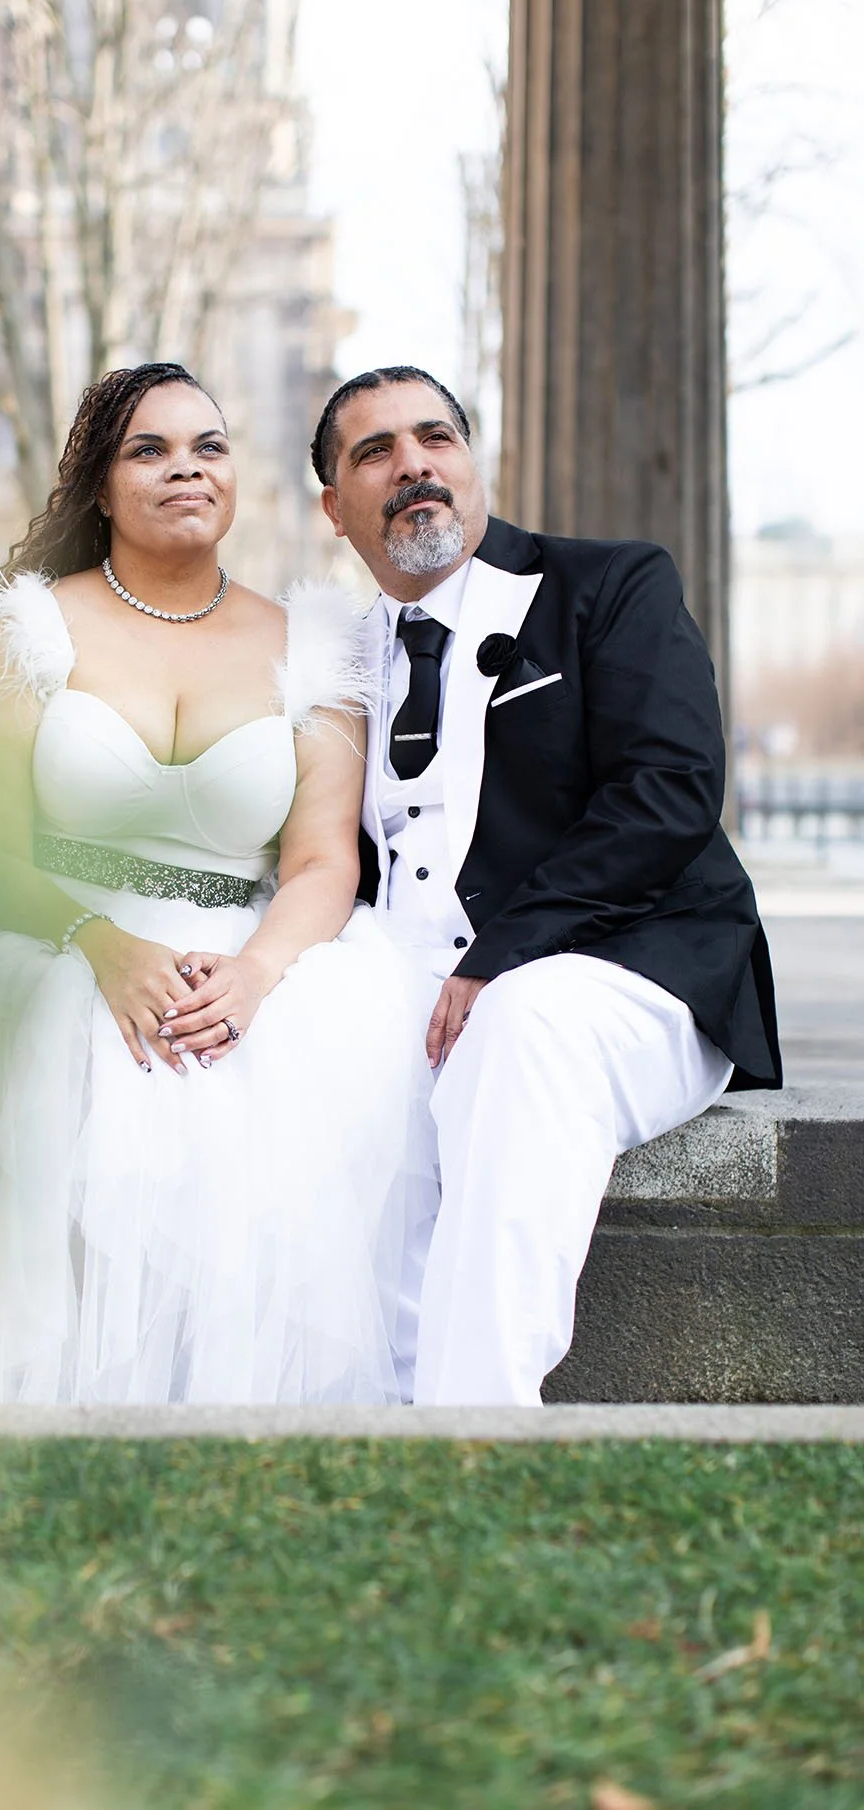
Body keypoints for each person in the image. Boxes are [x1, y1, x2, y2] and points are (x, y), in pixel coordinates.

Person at [0, 362, 426, 1405]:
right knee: (68, 1060)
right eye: (149, 450)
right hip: (60, 944)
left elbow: (323, 860)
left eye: (209, 447)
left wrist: (256, 975)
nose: (186, 469)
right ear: (102, 487)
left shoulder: (314, 647)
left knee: (257, 1087)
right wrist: (97, 942)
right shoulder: (30, 631)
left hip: (242, 959)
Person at [311, 365, 782, 1408]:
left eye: (436, 437)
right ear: (334, 509)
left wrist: (505, 952)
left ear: (472, 460)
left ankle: (472, 1434)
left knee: (521, 1027)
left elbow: (669, 793)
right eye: (376, 452)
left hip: (625, 966)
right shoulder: (331, 661)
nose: (414, 464)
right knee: (309, 1041)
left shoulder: (608, 586)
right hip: (410, 976)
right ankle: (360, 1418)